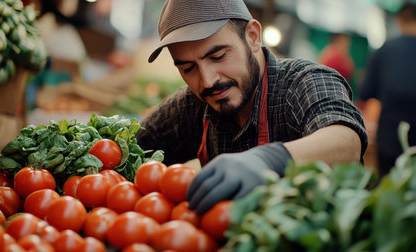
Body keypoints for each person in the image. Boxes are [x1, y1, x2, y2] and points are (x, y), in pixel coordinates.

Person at [137, 0, 368, 215]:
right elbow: (134, 146)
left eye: (218, 56)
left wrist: (269, 160)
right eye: (188, 68)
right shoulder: (192, 105)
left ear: (253, 37)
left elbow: (346, 142)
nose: (207, 81)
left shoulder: (304, 81)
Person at [359, 2, 416, 176]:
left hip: (389, 138)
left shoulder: (384, 51)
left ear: (399, 21)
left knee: (389, 190)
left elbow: (366, 92)